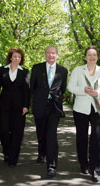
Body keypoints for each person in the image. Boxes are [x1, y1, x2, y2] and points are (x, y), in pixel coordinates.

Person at [67, 46, 100, 182]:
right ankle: (83, 164)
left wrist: (98, 93)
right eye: (89, 55)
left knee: (97, 138)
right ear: (85, 57)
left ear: (97, 57)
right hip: (81, 109)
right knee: (82, 137)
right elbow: (71, 87)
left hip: (98, 109)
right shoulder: (78, 70)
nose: (92, 57)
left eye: (94, 55)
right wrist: (83, 90)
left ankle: (94, 169)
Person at [30, 45, 68, 178]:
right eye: (48, 53)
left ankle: (51, 166)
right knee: (41, 133)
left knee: (51, 136)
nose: (51, 55)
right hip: (40, 106)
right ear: (45, 55)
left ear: (57, 55)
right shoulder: (37, 68)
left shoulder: (63, 70)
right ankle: (41, 153)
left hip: (54, 107)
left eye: (53, 53)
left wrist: (54, 98)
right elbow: (32, 87)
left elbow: (62, 89)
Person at [0, 47, 30, 168]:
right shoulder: (1, 70)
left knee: (17, 132)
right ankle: (7, 152)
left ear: (21, 59)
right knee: (3, 131)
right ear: (10, 57)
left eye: (19, 57)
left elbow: (27, 90)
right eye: (15, 56)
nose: (17, 59)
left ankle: (13, 158)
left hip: (19, 107)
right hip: (4, 105)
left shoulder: (24, 72)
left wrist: (26, 106)